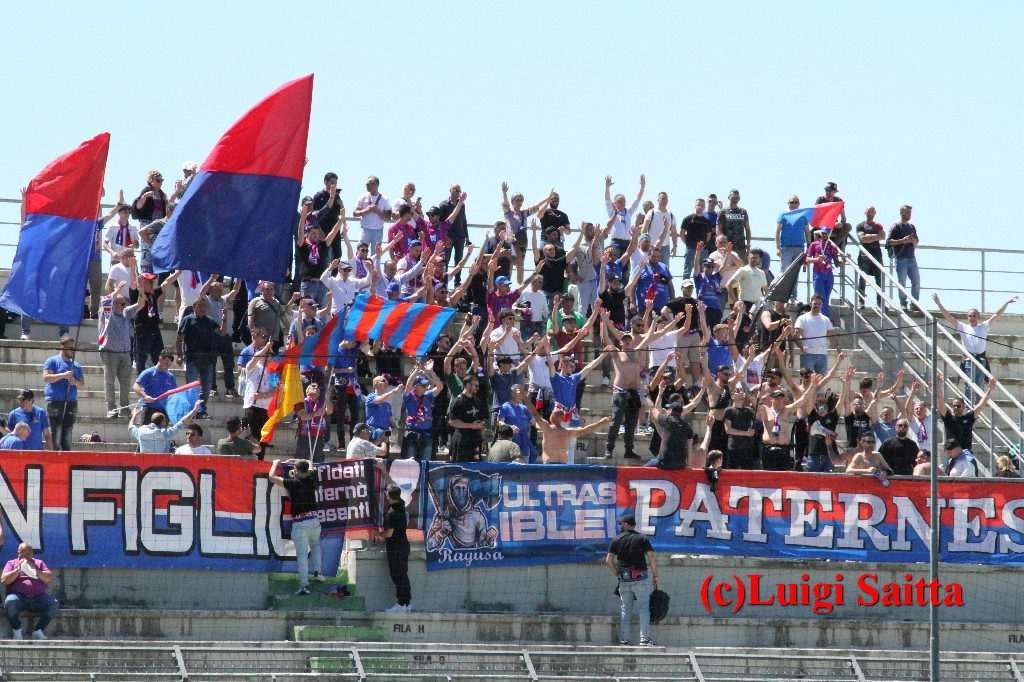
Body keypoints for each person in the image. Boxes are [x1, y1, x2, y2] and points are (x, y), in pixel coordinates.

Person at [933, 293, 1017, 403]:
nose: (972, 318)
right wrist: (939, 303)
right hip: (969, 360)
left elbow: (997, 315)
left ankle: (977, 408)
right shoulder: (963, 327)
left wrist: (1006, 303)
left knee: (980, 385)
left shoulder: (984, 326)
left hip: (981, 360)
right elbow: (949, 317)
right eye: (970, 316)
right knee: (969, 385)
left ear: (978, 317)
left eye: (974, 315)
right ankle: (969, 407)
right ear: (967, 317)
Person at [268, 459, 324, 595]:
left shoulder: (292, 483)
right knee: (316, 545)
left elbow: (271, 477)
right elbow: (310, 462)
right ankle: (318, 572)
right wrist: (299, 462)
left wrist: (276, 463)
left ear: (296, 470)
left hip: (300, 523)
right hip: (314, 521)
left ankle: (304, 586)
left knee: (302, 556)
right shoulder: (311, 479)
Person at [606, 513, 658, 647]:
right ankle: (644, 640)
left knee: (625, 610)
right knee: (643, 608)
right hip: (640, 578)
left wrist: (617, 573)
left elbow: (608, 560)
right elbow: (651, 557)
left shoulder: (617, 540)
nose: (620, 526)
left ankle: (624, 640)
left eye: (621, 524)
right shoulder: (642, 538)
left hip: (624, 580)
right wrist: (655, 575)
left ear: (626, 525)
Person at [176, 298, 227, 419]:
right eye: (199, 306)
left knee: (207, 386)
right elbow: (179, 338)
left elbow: (222, 332)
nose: (202, 308)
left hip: (207, 358)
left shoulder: (209, 320)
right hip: (192, 358)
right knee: (191, 386)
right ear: (194, 307)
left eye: (204, 306)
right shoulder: (188, 319)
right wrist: (179, 355)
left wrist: (224, 318)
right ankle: (191, 410)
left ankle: (202, 410)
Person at [99, 294, 144, 418]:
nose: (125, 306)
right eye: (122, 304)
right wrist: (117, 291)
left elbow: (141, 304)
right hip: (110, 352)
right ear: (114, 303)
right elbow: (105, 301)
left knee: (125, 384)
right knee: (109, 382)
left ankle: (124, 409)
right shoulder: (106, 313)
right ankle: (111, 408)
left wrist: (140, 291)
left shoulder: (125, 313)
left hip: (125, 353)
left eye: (125, 304)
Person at [2, 543, 57, 640]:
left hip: (38, 598)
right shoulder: (12, 563)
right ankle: (17, 630)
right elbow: (4, 580)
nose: (27, 555)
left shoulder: (39, 563)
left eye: (29, 553)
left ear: (32, 553)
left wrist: (36, 570)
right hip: (19, 598)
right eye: (24, 553)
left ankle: (38, 630)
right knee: (9, 602)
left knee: (53, 604)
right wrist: (17, 570)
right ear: (18, 553)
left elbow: (49, 578)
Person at [644, 382, 704, 470]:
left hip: (665, 463)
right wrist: (689, 465)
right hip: (680, 465)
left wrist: (647, 394)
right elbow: (689, 447)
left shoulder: (666, 419)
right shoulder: (687, 426)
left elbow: (653, 408)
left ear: (671, 410)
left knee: (641, 470)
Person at [42, 335, 85, 451]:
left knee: (68, 432)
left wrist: (74, 382)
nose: (72, 350)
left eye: (73, 348)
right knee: (56, 431)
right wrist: (63, 375)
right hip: (55, 401)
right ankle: (56, 455)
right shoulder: (52, 361)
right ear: (63, 348)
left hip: (71, 401)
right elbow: (46, 377)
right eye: (70, 348)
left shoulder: (76, 365)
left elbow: (82, 384)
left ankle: (66, 455)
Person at [936, 372, 996, 451]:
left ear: (963, 407)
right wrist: (938, 386)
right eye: (954, 406)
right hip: (953, 453)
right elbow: (941, 404)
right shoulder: (948, 418)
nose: (956, 408)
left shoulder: (968, 418)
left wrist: (990, 389)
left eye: (958, 406)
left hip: (966, 453)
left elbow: (981, 404)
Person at [402, 362, 444, 461]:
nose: (426, 387)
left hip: (427, 434)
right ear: (415, 386)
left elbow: (440, 387)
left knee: (426, 463)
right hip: (412, 433)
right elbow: (408, 385)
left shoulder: (428, 395)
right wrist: (417, 370)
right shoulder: (409, 396)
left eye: (425, 385)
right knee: (410, 462)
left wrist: (431, 371)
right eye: (422, 385)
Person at [128, 400, 202, 454]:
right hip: (161, 465)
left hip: (145, 463)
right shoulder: (165, 433)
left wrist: (134, 414)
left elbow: (130, 427)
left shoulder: (142, 430)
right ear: (162, 423)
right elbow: (182, 422)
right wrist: (194, 410)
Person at [382, 484, 412, 613]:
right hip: (403, 545)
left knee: (398, 576)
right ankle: (406, 604)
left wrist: (377, 535)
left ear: (387, 495)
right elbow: (394, 488)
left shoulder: (391, 512)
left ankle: (401, 604)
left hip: (395, 548)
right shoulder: (401, 505)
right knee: (403, 575)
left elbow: (389, 533)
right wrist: (383, 469)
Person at [886, 205, 920, 310]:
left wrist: (913, 240)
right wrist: (902, 240)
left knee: (916, 281)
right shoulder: (896, 227)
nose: (909, 215)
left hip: (911, 258)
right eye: (907, 212)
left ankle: (914, 303)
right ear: (901, 213)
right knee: (902, 282)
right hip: (901, 258)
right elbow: (888, 242)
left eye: (910, 213)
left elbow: (917, 240)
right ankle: (903, 302)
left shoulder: (911, 227)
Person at [447, 375, 487, 462]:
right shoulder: (458, 401)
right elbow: (452, 422)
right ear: (468, 385)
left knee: (475, 470)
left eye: (478, 386)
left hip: (475, 440)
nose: (477, 388)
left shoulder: (477, 400)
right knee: (460, 470)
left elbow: (482, 421)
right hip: (461, 439)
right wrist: (471, 425)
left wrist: (483, 439)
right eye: (475, 386)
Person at [794, 295, 836, 375]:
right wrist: (802, 346)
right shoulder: (802, 318)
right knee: (806, 381)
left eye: (819, 304)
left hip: (822, 355)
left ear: (822, 305)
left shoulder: (826, 319)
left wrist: (838, 348)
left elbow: (832, 337)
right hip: (807, 354)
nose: (817, 306)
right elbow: (796, 336)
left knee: (821, 383)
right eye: (815, 303)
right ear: (810, 303)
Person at [805, 228, 843, 316]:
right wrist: (817, 259)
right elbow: (807, 259)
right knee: (821, 299)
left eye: (827, 233)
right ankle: (826, 319)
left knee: (826, 298)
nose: (825, 235)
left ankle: (823, 318)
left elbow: (837, 263)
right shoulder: (814, 245)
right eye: (823, 233)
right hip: (818, 274)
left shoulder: (833, 247)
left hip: (829, 275)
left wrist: (845, 260)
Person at [776, 196, 810, 294]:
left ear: (799, 204)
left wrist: (808, 247)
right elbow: (777, 231)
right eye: (792, 202)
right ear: (788, 203)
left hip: (799, 248)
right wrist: (778, 247)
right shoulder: (783, 214)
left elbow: (807, 232)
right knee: (784, 272)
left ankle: (793, 297)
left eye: (796, 202)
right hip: (786, 247)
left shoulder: (803, 216)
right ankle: (781, 296)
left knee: (795, 274)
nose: (794, 204)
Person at [605, 174, 645, 255]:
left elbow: (637, 200)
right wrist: (607, 187)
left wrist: (642, 187)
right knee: (615, 265)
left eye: (623, 201)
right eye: (619, 202)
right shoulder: (612, 212)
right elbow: (607, 200)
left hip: (627, 243)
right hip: (616, 243)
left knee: (626, 266)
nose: (622, 203)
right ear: (615, 203)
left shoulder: (629, 212)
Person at [855, 206, 886, 308]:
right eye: (869, 212)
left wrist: (870, 237)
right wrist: (875, 237)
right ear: (865, 212)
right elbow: (862, 238)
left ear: (875, 213)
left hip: (876, 254)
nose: (871, 214)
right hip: (864, 255)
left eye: (872, 212)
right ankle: (861, 301)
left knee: (879, 279)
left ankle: (880, 303)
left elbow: (883, 236)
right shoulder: (860, 225)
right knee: (863, 278)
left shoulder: (878, 225)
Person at [439, 184, 469, 285]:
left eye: (459, 191)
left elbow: (464, 220)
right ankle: (444, 282)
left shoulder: (462, 205)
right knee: (446, 259)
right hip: (449, 236)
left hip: (460, 236)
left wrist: (467, 237)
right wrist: (445, 237)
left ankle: (457, 282)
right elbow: (441, 223)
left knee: (458, 259)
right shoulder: (443, 205)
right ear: (450, 190)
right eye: (455, 190)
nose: (457, 192)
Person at [352, 176, 392, 248]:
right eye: (367, 184)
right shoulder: (362, 197)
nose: (368, 186)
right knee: (361, 250)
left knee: (375, 254)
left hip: (378, 229)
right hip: (365, 228)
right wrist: (366, 211)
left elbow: (388, 218)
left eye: (371, 184)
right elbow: (354, 213)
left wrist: (377, 211)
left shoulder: (385, 199)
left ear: (377, 185)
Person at [680, 198, 713, 277]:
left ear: (704, 207)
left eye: (702, 205)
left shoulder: (707, 221)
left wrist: (702, 245)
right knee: (687, 271)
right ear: (695, 206)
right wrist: (688, 244)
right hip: (691, 249)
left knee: (703, 272)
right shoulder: (688, 219)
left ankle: (701, 289)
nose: (700, 207)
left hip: (703, 250)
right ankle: (685, 287)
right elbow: (682, 234)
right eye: (698, 205)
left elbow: (708, 236)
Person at [641, 191, 676, 263]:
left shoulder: (671, 214)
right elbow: (644, 229)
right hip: (652, 246)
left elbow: (674, 231)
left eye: (666, 199)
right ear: (658, 199)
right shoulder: (652, 212)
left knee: (664, 270)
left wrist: (675, 246)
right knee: (651, 267)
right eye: (662, 198)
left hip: (665, 247)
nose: (664, 201)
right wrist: (644, 244)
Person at [718, 189, 751, 260]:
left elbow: (747, 229)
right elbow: (718, 228)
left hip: (740, 246)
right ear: (729, 197)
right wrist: (719, 243)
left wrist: (748, 245)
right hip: (726, 246)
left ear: (739, 199)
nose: (735, 199)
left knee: (740, 267)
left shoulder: (743, 211)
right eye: (733, 197)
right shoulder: (723, 211)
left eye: (737, 198)